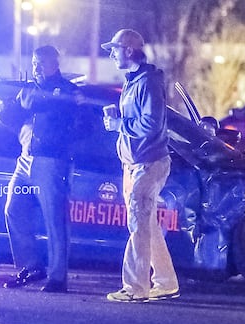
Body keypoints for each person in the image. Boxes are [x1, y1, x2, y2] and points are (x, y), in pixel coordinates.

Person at [101, 29, 180, 302]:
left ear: (129, 50)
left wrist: (118, 124)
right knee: (146, 224)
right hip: (135, 163)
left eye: (114, 49)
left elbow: (151, 123)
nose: (111, 54)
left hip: (147, 163)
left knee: (138, 223)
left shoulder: (147, 82)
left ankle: (135, 288)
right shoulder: (136, 80)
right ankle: (166, 282)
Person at [0, 45, 81, 293]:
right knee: (14, 208)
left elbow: (54, 109)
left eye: (41, 63)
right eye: (34, 63)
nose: (36, 68)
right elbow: (11, 119)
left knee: (55, 220)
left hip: (52, 161)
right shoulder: (29, 89)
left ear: (55, 64)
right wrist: (3, 103)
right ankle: (30, 266)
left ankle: (57, 277)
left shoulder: (65, 90)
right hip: (25, 158)